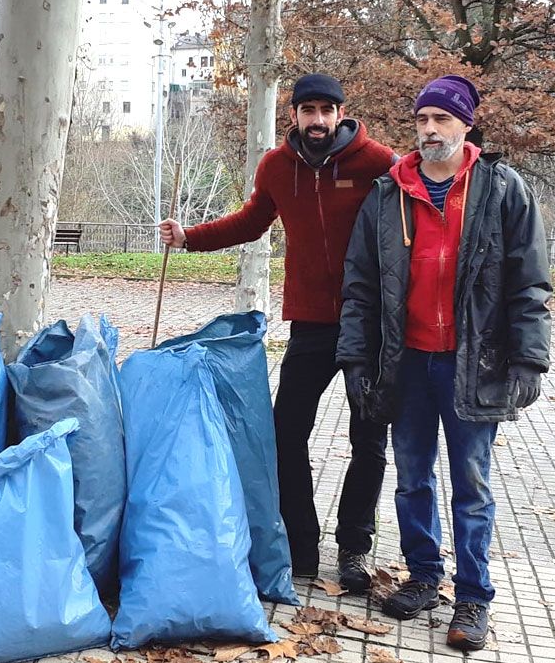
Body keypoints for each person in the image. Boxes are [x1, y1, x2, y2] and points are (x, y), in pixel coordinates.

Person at [336, 74, 552, 651]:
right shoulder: (387, 195)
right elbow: (359, 285)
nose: (430, 131)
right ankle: (425, 576)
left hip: (473, 362)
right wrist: (356, 359)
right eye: (422, 120)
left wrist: (530, 357)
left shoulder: (503, 190)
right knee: (411, 479)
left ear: (466, 125)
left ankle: (474, 597)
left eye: (443, 120)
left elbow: (529, 282)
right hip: (404, 363)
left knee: (471, 485)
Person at [158, 73, 395, 591]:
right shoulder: (275, 166)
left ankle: (354, 547)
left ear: (340, 113)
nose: (316, 120)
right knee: (286, 433)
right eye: (307, 110)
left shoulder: (379, 163)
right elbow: (250, 221)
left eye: (325, 110)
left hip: (368, 324)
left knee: (369, 439)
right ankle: (301, 545)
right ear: (294, 115)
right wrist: (189, 237)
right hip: (309, 322)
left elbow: (410, 224)